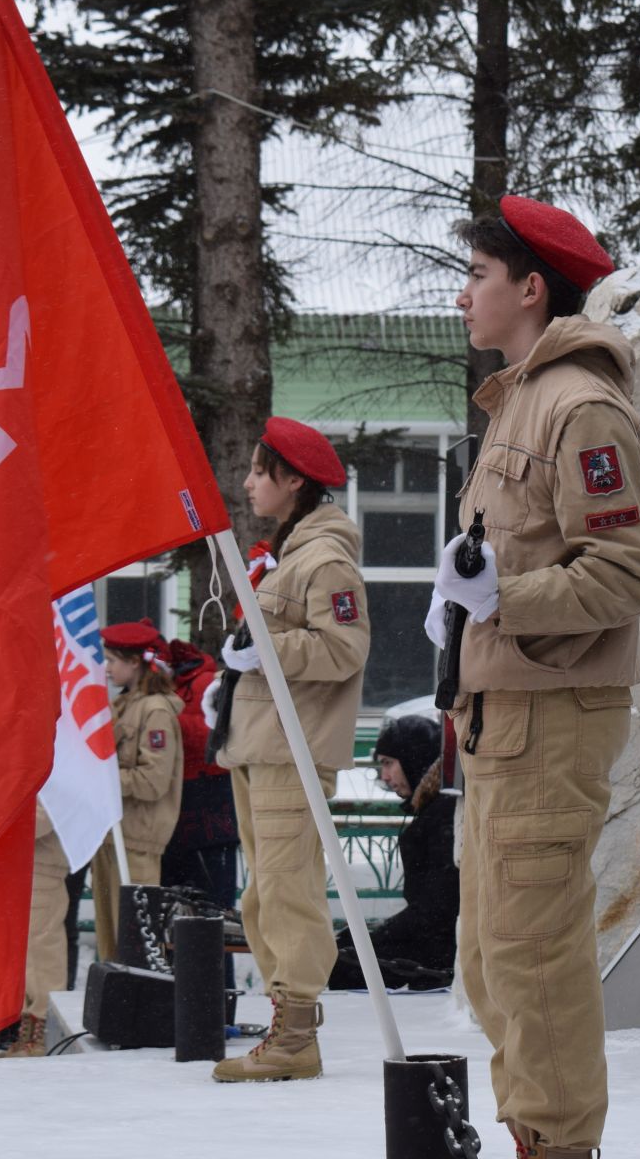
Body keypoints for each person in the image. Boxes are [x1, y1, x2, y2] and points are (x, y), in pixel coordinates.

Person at [435, 196, 640, 1159]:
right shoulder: (520, 401)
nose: (462, 296)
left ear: (532, 289)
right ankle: (537, 1135)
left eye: (478, 276)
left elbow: (624, 573)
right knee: (493, 965)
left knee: (533, 961)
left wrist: (499, 602)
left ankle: (560, 1147)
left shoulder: (578, 404)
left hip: (549, 718)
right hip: (503, 719)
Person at [211, 416, 369, 1084]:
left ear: (293, 479)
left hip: (291, 749)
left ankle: (296, 1033)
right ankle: (290, 1019)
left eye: (257, 470)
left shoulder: (324, 558)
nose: (247, 483)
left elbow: (344, 647)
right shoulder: (293, 552)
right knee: (266, 896)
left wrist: (263, 647)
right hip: (265, 745)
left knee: (287, 892)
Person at [329, 714, 457, 992]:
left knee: (339, 967)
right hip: (433, 940)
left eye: (389, 763)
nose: (385, 777)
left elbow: (437, 909)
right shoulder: (436, 808)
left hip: (439, 951)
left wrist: (376, 938)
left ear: (413, 758)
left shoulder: (442, 814)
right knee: (342, 955)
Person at [90, 620, 183, 966]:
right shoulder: (124, 705)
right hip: (113, 834)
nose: (107, 668)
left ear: (135, 662)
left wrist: (104, 777)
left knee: (136, 942)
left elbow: (153, 781)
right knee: (111, 941)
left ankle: (138, 1012)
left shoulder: (155, 710)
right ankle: (116, 1012)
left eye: (113, 659)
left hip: (137, 839)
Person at [160, 635, 238, 913]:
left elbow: (216, 740)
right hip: (189, 814)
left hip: (208, 813)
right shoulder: (180, 688)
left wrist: (171, 724)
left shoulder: (204, 685)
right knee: (181, 915)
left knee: (211, 914)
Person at [0, 801, 69, 1059]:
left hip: (42, 860)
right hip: (21, 858)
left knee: (42, 951)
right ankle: (27, 1034)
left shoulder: (61, 761)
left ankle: (41, 1034)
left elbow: (52, 808)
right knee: (22, 953)